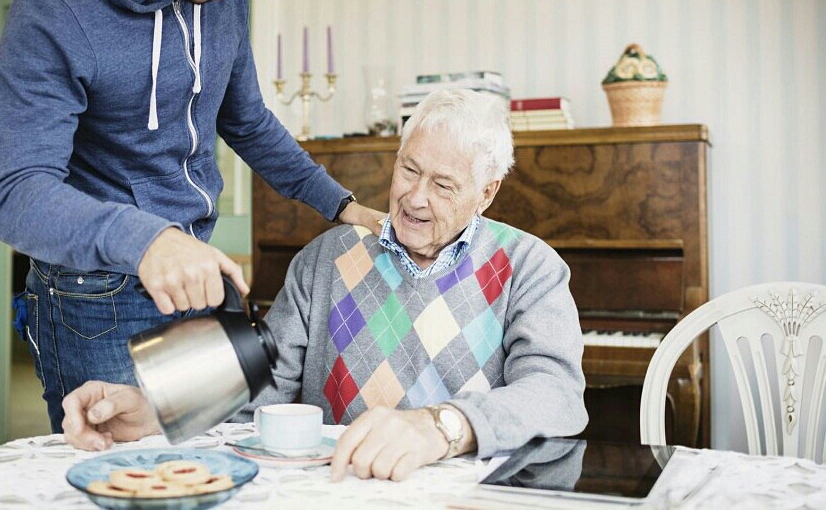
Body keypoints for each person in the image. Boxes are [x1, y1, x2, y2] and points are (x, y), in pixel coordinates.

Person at [61, 88, 588, 482]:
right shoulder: (328, 257)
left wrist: (439, 427)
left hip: (463, 495)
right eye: (409, 170)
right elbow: (265, 384)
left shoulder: (529, 265)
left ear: (487, 192)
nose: (415, 198)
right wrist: (160, 410)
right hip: (337, 488)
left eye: (444, 185)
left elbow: (557, 395)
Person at [0, 0, 384, 433]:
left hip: (195, 276)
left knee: (199, 465)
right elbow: (16, 194)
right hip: (96, 297)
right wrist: (152, 242)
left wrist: (343, 204)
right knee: (127, 473)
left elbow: (248, 121)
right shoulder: (54, 7)